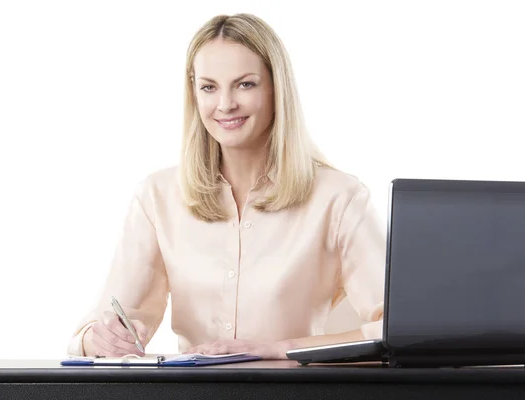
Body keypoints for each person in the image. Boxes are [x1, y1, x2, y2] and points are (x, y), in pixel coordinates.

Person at [67, 13, 385, 360]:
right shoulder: (156, 197)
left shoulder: (339, 198)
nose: (225, 104)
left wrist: (279, 349)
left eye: (245, 84)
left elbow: (396, 331)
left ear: (276, 87)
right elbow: (98, 329)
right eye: (209, 87)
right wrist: (99, 341)